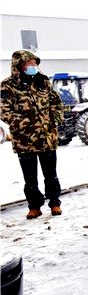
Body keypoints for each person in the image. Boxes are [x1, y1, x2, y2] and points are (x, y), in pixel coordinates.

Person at [0, 50, 64, 219]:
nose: (33, 66)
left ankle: (55, 202)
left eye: (35, 63)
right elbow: (4, 110)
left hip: (47, 137)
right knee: (30, 178)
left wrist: (54, 118)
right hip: (24, 140)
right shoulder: (8, 85)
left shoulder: (43, 81)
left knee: (51, 174)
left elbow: (56, 102)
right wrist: (24, 123)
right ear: (19, 66)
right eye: (29, 64)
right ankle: (34, 206)